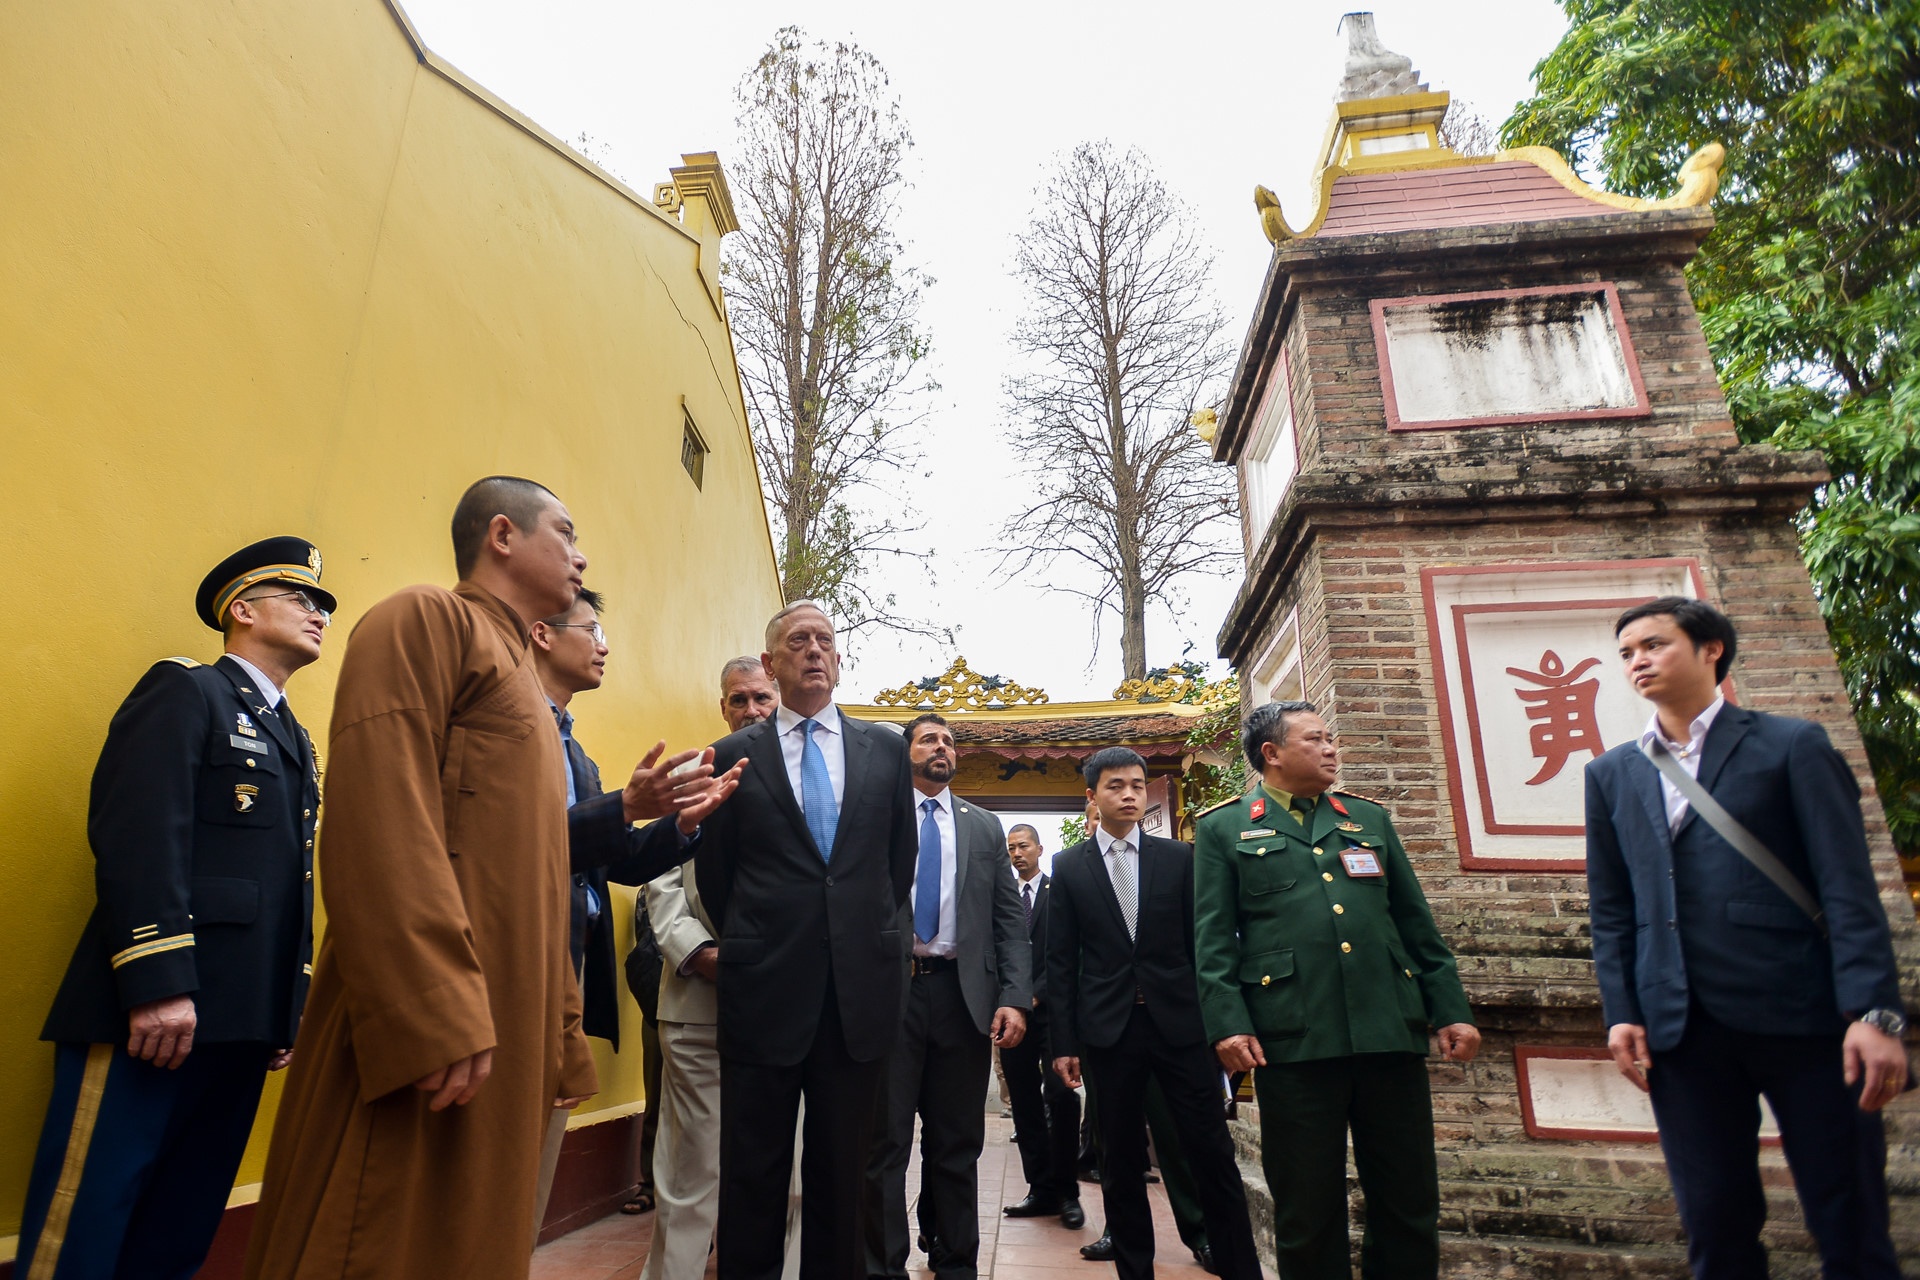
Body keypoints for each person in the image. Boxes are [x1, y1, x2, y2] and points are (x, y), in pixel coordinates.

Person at [243, 477, 737, 1280]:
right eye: (566, 533)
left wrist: (560, 1026)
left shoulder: (529, 699)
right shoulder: (424, 620)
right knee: (378, 1234)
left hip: (509, 1020)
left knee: (476, 1238)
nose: (581, 557)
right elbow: (381, 819)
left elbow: (534, 865)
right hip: (437, 1017)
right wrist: (430, 1000)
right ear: (503, 535)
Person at [17, 538, 333, 1280]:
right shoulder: (187, 691)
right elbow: (139, 831)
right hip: (157, 1008)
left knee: (180, 1224)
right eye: (300, 598)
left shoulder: (294, 737)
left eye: (323, 603)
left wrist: (286, 1008)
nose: (319, 613)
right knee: (89, 1217)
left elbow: (289, 878)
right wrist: (158, 980)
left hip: (241, 1018)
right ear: (242, 609)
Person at [1586, 597, 1908, 1279]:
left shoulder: (1791, 745)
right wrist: (1622, 1011)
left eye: (1655, 644)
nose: (1638, 661)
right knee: (1715, 1226)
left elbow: (1847, 886)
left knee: (1849, 1217)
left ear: (1711, 650)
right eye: (1627, 653)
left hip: (1805, 1015)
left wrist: (1873, 1011)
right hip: (1681, 1030)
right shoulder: (1611, 773)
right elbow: (1613, 907)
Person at [1194, 701, 1478, 1280]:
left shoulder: (1367, 818)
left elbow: (1414, 922)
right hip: (1293, 1037)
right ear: (1272, 753)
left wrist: (1451, 1009)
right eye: (1315, 739)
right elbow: (1214, 939)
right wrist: (1228, 1023)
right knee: (1307, 1208)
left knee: (1408, 1199)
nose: (1331, 749)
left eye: (1331, 738)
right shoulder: (1224, 828)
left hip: (1388, 1029)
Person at [695, 601, 918, 1280]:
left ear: (839, 659)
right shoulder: (732, 756)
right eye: (798, 641)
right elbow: (718, 876)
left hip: (856, 1000)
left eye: (825, 640)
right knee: (752, 1179)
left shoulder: (886, 750)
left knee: (842, 1182)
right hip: (764, 992)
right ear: (771, 664)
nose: (815, 650)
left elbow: (896, 864)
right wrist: (764, 940)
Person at [529, 587, 724, 1236]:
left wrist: (682, 824)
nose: (604, 646)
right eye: (592, 630)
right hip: (518, 958)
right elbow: (519, 842)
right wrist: (624, 808)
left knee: (538, 1152)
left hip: (571, 963)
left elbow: (614, 859)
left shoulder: (576, 755)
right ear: (542, 634)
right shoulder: (509, 730)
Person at [1047, 748, 1262, 1280]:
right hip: (1109, 1032)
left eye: (1138, 785)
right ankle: (1134, 1270)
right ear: (1092, 795)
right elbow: (1061, 961)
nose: (1129, 795)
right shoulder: (1069, 866)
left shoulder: (1179, 858)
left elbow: (1203, 948)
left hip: (1180, 1028)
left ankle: (1239, 1266)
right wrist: (1064, 1044)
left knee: (1210, 1150)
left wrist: (1220, 1024)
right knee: (1119, 1160)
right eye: (1116, 785)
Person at [642, 657, 803, 1280]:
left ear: (780, 699)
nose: (753, 710)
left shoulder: (811, 781)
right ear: (723, 707)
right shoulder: (691, 776)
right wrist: (704, 956)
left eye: (763, 697)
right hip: (698, 1005)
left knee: (792, 1172)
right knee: (691, 1171)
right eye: (740, 700)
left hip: (790, 1007)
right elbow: (659, 880)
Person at [864, 714, 1031, 1280]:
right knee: (885, 1142)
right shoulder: (876, 816)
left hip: (963, 999)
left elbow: (1009, 922)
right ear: (904, 753)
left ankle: (956, 1260)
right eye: (929, 739)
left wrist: (1014, 996)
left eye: (949, 741)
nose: (942, 747)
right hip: (890, 996)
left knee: (957, 1142)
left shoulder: (983, 826)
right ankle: (883, 1265)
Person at [999, 824, 1086, 1232]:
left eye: (1024, 846)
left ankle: (1068, 1191)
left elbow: (1069, 951)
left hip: (1055, 1012)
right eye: (1011, 848)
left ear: (1040, 848)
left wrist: (1035, 993)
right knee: (1024, 1101)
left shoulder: (1058, 892)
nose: (1017, 854)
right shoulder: (1003, 896)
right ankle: (1040, 1188)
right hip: (1012, 1015)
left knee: (1062, 1096)